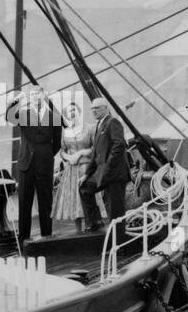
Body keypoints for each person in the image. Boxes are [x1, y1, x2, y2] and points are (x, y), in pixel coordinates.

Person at [7, 83, 62, 242]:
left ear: (43, 95)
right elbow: (9, 117)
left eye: (37, 94)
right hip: (26, 164)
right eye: (31, 95)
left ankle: (47, 236)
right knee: (24, 201)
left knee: (46, 201)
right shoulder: (23, 114)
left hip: (44, 163)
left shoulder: (54, 117)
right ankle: (24, 237)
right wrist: (16, 101)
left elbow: (57, 143)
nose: (35, 97)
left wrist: (45, 156)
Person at [79, 97, 130, 232]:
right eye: (92, 109)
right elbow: (95, 154)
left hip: (114, 173)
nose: (93, 111)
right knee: (84, 188)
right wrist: (86, 174)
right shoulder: (98, 125)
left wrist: (108, 166)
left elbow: (119, 145)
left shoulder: (112, 122)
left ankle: (119, 242)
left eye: (97, 108)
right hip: (102, 172)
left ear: (106, 108)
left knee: (115, 210)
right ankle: (95, 221)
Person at [52, 101, 94, 232]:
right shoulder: (65, 132)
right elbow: (62, 150)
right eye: (69, 111)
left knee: (87, 196)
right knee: (74, 199)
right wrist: (68, 157)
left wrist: (81, 153)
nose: (72, 112)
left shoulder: (90, 128)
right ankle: (78, 230)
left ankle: (91, 226)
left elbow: (95, 148)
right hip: (71, 169)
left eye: (74, 110)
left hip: (86, 167)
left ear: (79, 112)